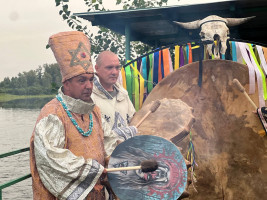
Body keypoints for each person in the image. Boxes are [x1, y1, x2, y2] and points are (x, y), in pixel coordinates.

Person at [29, 31, 135, 200]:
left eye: (91, 80)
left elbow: (108, 142)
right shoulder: (52, 114)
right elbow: (52, 158)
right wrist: (93, 169)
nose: (88, 86)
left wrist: (130, 159)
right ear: (67, 83)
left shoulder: (93, 111)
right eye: (81, 81)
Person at [91, 51, 136, 140]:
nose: (114, 72)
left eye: (117, 68)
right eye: (109, 68)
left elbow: (133, 120)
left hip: (127, 151)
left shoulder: (123, 93)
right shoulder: (89, 97)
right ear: (97, 68)